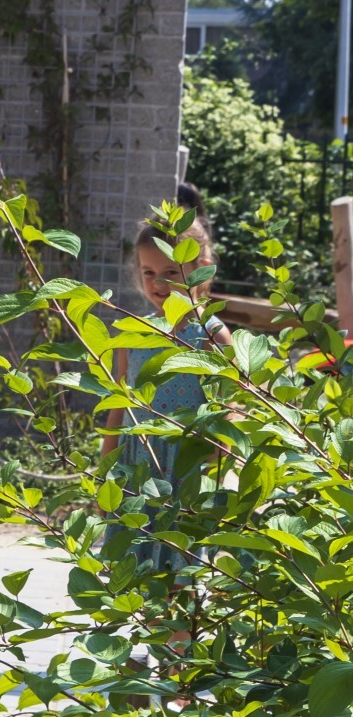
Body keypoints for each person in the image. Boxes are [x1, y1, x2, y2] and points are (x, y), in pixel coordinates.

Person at [100, 203, 233, 576]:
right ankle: (157, 633)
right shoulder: (132, 333)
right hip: (137, 463)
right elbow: (118, 404)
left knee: (180, 569)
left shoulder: (210, 335)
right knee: (138, 571)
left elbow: (229, 407)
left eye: (171, 272)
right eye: (149, 272)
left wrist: (213, 471)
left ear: (199, 267)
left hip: (185, 468)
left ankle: (180, 636)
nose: (158, 284)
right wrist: (105, 471)